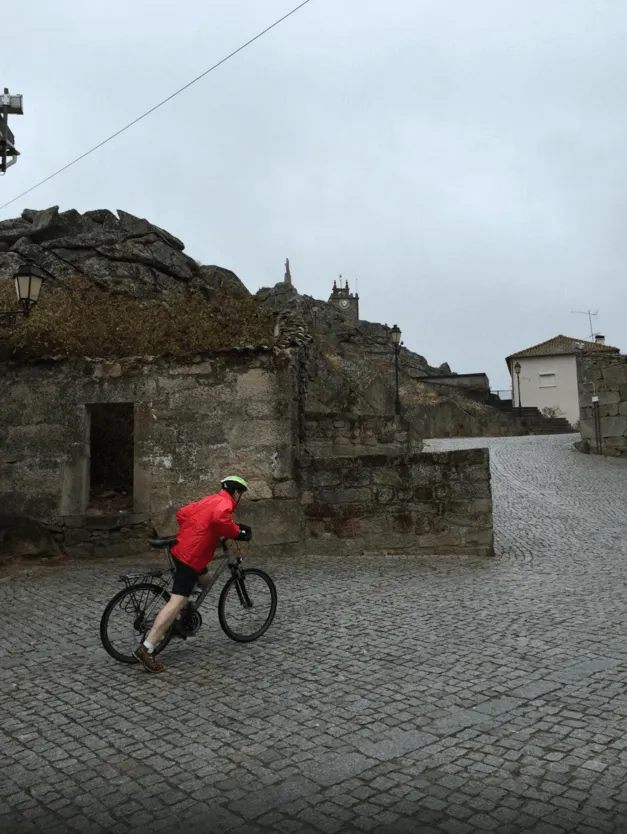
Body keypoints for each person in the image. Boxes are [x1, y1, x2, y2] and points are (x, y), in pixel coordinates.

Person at [134, 476, 252, 672]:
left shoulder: (209, 500)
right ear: (237, 493)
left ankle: (185, 612)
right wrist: (238, 533)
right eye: (240, 494)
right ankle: (147, 648)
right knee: (177, 600)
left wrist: (197, 530)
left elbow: (182, 514)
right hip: (191, 557)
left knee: (205, 579)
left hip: (182, 549)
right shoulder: (224, 504)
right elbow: (220, 519)